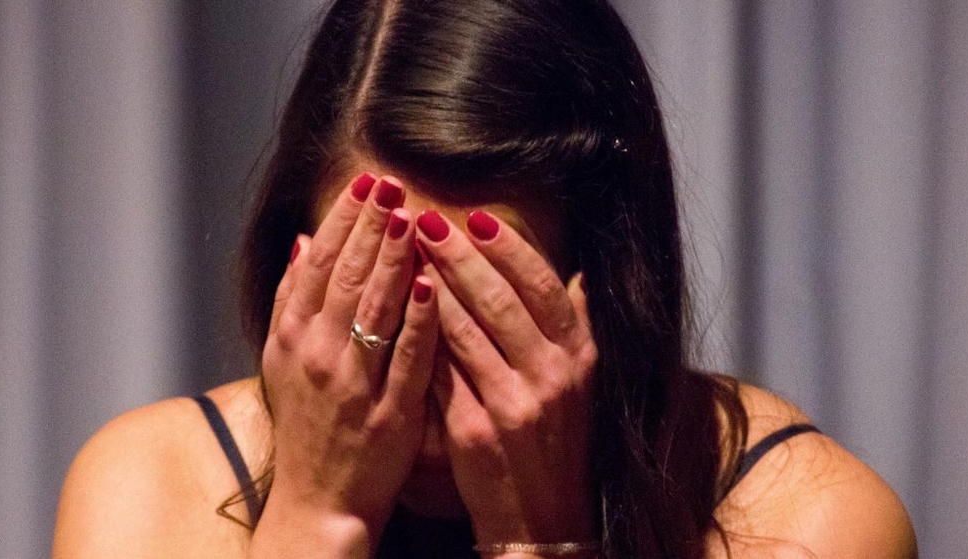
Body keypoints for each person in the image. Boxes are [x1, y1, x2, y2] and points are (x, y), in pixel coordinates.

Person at [53, 0, 916, 557]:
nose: (426, 412)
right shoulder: (150, 487)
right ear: (298, 266)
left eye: (486, 319)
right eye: (379, 304)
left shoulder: (804, 519)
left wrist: (539, 542)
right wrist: (315, 520)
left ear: (609, 288)